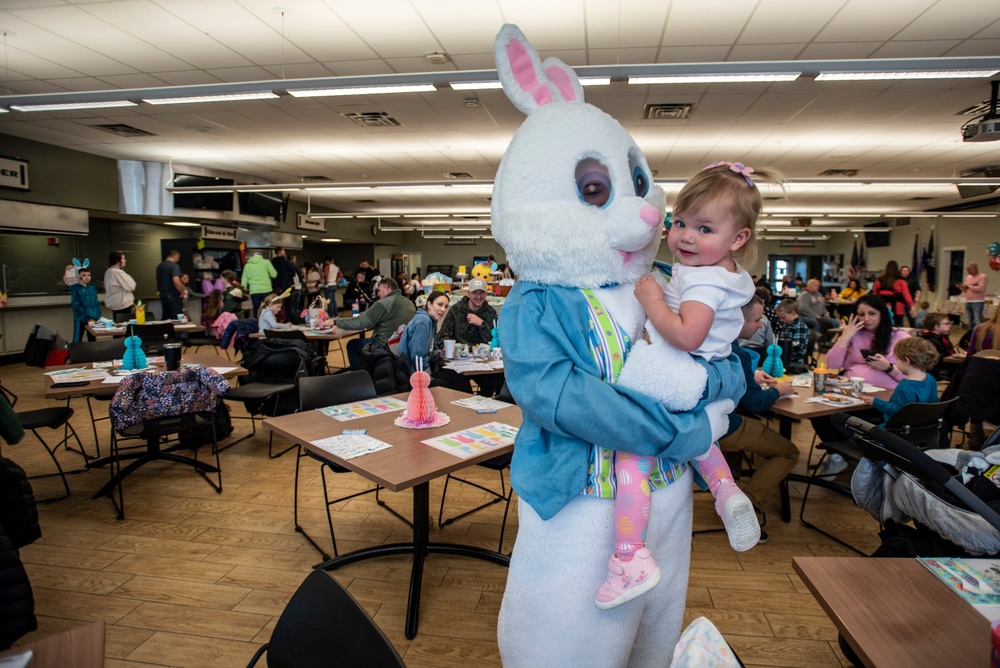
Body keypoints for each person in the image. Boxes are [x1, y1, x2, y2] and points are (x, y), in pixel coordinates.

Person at [600, 160, 768, 610]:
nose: (686, 237)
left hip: (674, 367)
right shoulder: (727, 273)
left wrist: (653, 299)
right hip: (702, 372)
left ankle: (629, 556)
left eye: (704, 228)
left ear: (738, 239)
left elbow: (687, 334)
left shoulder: (704, 280)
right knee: (699, 439)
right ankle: (725, 489)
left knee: (632, 455)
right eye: (680, 223)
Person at [719, 295, 799, 539]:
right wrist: (780, 390)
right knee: (789, 452)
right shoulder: (738, 354)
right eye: (756, 320)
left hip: (705, 427)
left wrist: (750, 375)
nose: (761, 325)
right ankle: (746, 509)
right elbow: (756, 404)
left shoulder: (720, 345)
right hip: (727, 427)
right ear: (737, 321)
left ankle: (727, 499)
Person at [814, 293, 910, 476]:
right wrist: (845, 335)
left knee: (837, 417)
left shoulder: (900, 337)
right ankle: (836, 455)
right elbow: (833, 364)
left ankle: (859, 455)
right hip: (849, 394)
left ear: (882, 314)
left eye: (872, 313)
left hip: (881, 400)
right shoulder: (855, 335)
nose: (866, 319)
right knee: (819, 411)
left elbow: (912, 379)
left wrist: (889, 368)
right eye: (861, 314)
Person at [333, 277, 415, 371]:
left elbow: (360, 322)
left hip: (385, 344)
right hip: (403, 344)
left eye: (379, 291)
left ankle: (361, 379)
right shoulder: (408, 302)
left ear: (387, 288)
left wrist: (336, 322)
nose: (378, 294)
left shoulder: (384, 303)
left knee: (352, 345)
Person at [858, 336, 939, 424]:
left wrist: (875, 401)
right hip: (921, 428)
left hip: (894, 431)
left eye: (897, 359)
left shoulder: (905, 387)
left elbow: (896, 411)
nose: (896, 363)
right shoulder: (930, 379)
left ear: (906, 361)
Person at [397, 291, 450, 373]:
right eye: (440, 304)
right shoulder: (424, 320)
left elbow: (430, 351)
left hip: (416, 371)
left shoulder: (432, 322)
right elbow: (418, 356)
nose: (443, 309)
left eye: (446, 306)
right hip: (412, 375)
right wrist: (428, 376)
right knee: (456, 381)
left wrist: (440, 354)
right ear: (429, 305)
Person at [437, 278, 497, 348]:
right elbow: (443, 337)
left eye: (481, 292)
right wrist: (452, 349)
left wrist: (482, 324)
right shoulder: (456, 310)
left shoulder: (491, 312)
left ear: (486, 294)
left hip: (484, 355)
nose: (478, 296)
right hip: (458, 354)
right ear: (468, 294)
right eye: (474, 292)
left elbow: (495, 341)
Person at [872, 260, 914, 327]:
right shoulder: (901, 281)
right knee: (897, 325)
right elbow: (906, 294)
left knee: (882, 324)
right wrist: (911, 305)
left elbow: (875, 293)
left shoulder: (879, 280)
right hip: (897, 307)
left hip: (882, 306)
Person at [774, 298, 810, 372]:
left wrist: (783, 349)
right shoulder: (786, 324)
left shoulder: (800, 326)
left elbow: (798, 347)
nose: (781, 320)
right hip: (785, 358)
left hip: (795, 361)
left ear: (793, 313)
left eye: (783, 317)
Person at [70, 267, 101, 342]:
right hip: (80, 318)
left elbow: (96, 302)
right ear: (78, 277)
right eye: (84, 275)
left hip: (92, 318)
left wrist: (98, 313)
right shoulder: (75, 288)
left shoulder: (92, 288)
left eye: (89, 275)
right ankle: (74, 353)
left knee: (92, 338)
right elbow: (76, 305)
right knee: (78, 338)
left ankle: (93, 353)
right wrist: (89, 313)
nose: (87, 277)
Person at [103, 250, 136, 323]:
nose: (125, 260)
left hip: (115, 304)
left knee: (118, 325)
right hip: (123, 304)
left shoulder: (108, 272)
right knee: (124, 327)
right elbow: (131, 286)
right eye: (123, 259)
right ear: (118, 261)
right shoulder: (117, 272)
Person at [241, 251, 276, 316]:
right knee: (268, 309)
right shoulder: (266, 262)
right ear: (261, 256)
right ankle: (267, 324)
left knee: (256, 310)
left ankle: (256, 324)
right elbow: (274, 274)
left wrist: (244, 290)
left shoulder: (247, 265)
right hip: (267, 290)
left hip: (254, 291)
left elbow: (244, 280)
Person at [156, 249, 186, 321]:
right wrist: (182, 291)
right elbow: (176, 281)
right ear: (176, 257)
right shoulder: (174, 266)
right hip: (173, 295)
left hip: (163, 294)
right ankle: (176, 332)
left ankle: (166, 331)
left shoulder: (159, 266)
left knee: (166, 317)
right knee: (175, 317)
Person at [959, 262, 989, 329]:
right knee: (969, 320)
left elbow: (981, 288)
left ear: (975, 269)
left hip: (977, 301)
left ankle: (979, 335)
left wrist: (969, 286)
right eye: (967, 270)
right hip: (968, 300)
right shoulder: (968, 277)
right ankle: (970, 335)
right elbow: (966, 289)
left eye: (970, 269)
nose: (968, 271)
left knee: (977, 320)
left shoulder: (983, 277)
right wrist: (961, 286)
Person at [270, 248, 298, 318]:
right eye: (284, 251)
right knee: (289, 305)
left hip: (275, 286)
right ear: (281, 252)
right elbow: (294, 272)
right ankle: (287, 319)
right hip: (286, 286)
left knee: (276, 304)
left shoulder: (271, 262)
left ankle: (276, 318)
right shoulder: (287, 263)